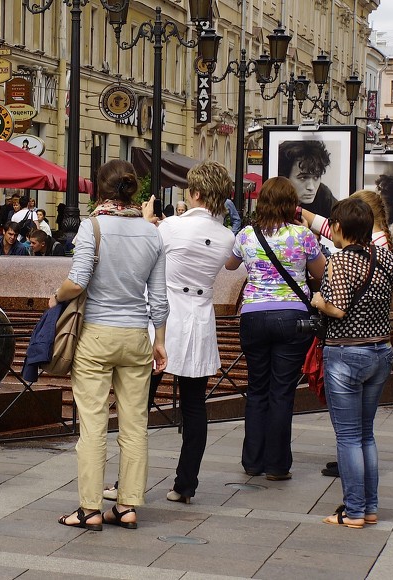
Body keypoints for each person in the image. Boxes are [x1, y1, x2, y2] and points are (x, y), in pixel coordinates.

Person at [51, 159, 167, 531]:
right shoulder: (152, 234)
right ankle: (128, 505)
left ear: (100, 189)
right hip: (136, 337)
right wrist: (159, 341)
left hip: (96, 336)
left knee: (93, 425)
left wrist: (56, 297)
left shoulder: (93, 227)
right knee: (135, 425)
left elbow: (78, 280)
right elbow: (160, 298)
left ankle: (89, 509)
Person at [226, 176, 325, 481]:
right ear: (291, 204)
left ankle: (252, 462)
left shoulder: (246, 235)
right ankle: (277, 465)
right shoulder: (303, 235)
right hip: (292, 318)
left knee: (257, 389)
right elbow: (320, 273)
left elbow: (230, 265)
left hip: (253, 316)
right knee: (281, 392)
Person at [310, 197, 393, 528]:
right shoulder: (385, 258)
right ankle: (370, 507)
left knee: (348, 436)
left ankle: (353, 511)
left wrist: (320, 301)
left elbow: (338, 309)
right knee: (366, 434)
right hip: (381, 351)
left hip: (346, 354)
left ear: (338, 228)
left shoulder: (338, 261)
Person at [149, 162, 236, 503]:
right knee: (195, 406)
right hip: (199, 319)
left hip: (164, 319)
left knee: (140, 401)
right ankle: (186, 484)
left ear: (197, 193)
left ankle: (126, 479)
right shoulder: (228, 236)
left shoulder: (171, 227)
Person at [278, 139, 335, 217]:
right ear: (284, 177)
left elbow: (344, 224)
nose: (311, 187)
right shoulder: (274, 197)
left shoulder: (323, 195)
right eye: (303, 178)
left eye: (316, 177)